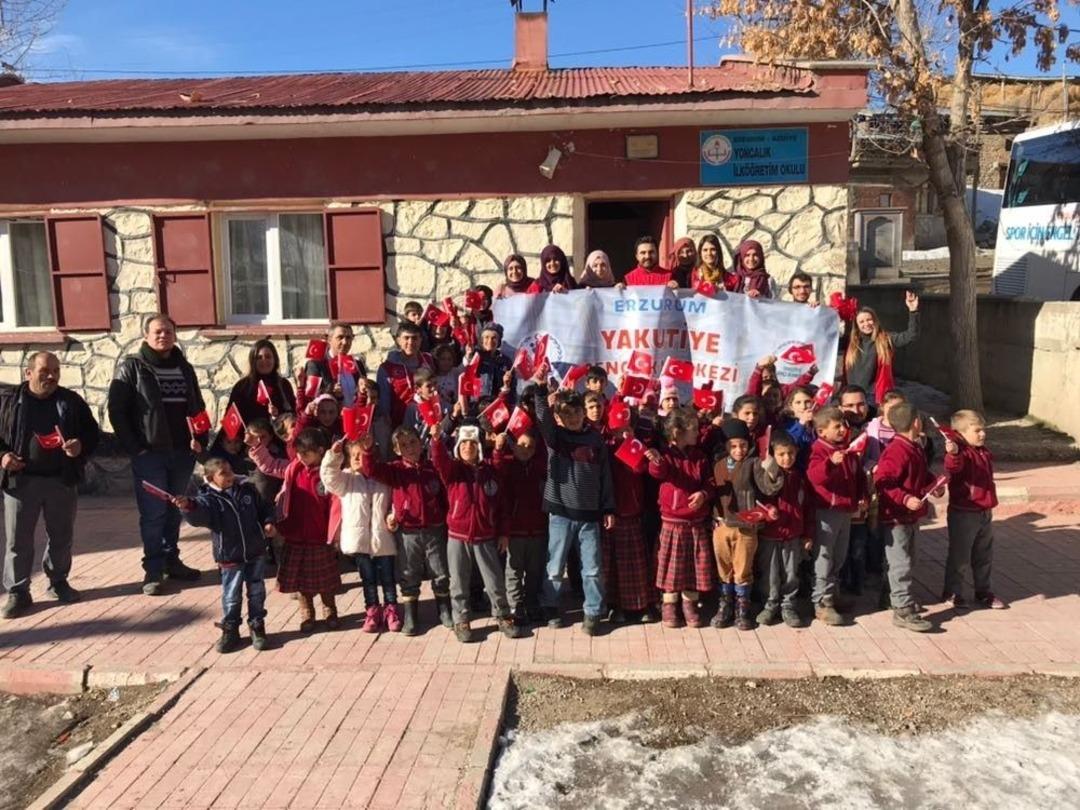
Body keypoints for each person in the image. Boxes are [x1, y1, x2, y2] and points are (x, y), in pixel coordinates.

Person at [108, 314, 208, 596]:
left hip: (182, 452)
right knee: (153, 513)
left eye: (168, 331)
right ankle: (153, 569)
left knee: (175, 508)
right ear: (146, 335)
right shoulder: (132, 368)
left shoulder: (184, 368)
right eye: (157, 332)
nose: (163, 335)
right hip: (150, 454)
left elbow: (197, 406)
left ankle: (171, 559)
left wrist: (200, 439)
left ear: (175, 335)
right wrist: (135, 447)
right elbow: (117, 411)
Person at [0, 352, 100, 619]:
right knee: (18, 540)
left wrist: (80, 446)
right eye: (45, 370)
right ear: (28, 373)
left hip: (61, 479)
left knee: (61, 535)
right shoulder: (8, 401)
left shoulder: (70, 401)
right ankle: (18, 591)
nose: (52, 376)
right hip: (21, 481)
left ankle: (58, 581)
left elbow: (92, 433)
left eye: (56, 370)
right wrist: (3, 456)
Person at [533, 379, 615, 635]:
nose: (573, 417)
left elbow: (605, 476)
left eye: (577, 411)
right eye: (567, 413)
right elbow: (542, 418)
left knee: (591, 568)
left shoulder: (594, 439)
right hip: (560, 513)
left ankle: (593, 611)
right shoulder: (556, 438)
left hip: (590, 515)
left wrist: (608, 508)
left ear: (583, 412)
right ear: (559, 417)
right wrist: (539, 389)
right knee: (555, 566)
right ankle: (551, 606)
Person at [430, 421, 522, 643]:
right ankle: (461, 618)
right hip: (457, 537)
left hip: (484, 536)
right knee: (458, 581)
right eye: (463, 445)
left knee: (494, 579)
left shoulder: (491, 473)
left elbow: (501, 507)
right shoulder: (453, 472)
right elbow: (440, 461)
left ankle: (502, 615)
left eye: (472, 444)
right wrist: (436, 441)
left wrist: (503, 533)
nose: (467, 448)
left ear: (479, 447)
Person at [175, 457, 274, 653]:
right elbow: (199, 514)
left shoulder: (247, 489)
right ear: (210, 478)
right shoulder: (208, 500)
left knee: (256, 591)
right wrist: (187, 506)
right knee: (231, 595)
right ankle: (231, 630)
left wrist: (268, 521)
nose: (229, 476)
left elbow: (264, 508)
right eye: (223, 474)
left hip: (255, 551)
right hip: (229, 556)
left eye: (230, 471)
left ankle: (257, 626)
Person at [361, 425, 452, 635]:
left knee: (439, 570)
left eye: (413, 442)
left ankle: (444, 610)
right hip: (408, 532)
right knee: (409, 573)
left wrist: (444, 516)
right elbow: (371, 470)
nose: (409, 447)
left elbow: (443, 489)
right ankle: (411, 615)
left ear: (421, 443)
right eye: (403, 445)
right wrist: (367, 451)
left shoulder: (432, 468)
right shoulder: (396, 470)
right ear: (397, 450)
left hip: (434, 529)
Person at [248, 427, 340, 632]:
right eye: (298, 453)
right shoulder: (293, 469)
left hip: (320, 534)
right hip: (295, 534)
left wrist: (335, 533)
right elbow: (269, 464)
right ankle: (307, 611)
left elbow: (335, 504)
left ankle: (330, 609)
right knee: (301, 580)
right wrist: (256, 446)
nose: (301, 457)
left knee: (325, 580)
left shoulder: (329, 474)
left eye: (306, 453)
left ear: (320, 451)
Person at [874, 402, 942, 632]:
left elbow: (922, 475)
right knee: (900, 563)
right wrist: (904, 499)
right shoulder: (896, 451)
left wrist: (934, 485)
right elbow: (883, 482)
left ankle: (890, 596)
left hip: (910, 517)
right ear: (915, 422)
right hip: (896, 518)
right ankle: (902, 610)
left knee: (908, 560)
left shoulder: (914, 447)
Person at [321, 436, 401, 633]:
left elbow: (394, 502)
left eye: (362, 454)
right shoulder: (346, 479)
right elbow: (328, 476)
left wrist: (392, 516)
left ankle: (391, 609)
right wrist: (334, 455)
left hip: (382, 538)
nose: (359, 459)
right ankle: (372, 610)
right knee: (368, 579)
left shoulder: (382, 477)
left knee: (388, 578)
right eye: (354, 455)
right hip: (360, 540)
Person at [645, 407, 715, 629]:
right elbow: (659, 473)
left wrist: (703, 494)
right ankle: (669, 605)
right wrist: (656, 461)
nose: (697, 433)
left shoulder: (700, 457)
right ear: (677, 432)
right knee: (671, 567)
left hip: (695, 522)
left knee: (693, 567)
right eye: (693, 429)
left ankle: (689, 605)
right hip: (673, 522)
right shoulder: (665, 456)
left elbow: (710, 482)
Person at [806, 405, 867, 626]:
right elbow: (814, 476)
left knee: (839, 555)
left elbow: (857, 475)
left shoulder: (847, 450)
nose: (842, 429)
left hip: (845, 509)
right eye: (837, 426)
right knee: (824, 556)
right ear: (822, 432)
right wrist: (830, 464)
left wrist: (862, 495)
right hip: (826, 511)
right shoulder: (820, 450)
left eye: (843, 425)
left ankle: (832, 593)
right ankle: (821, 602)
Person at [943, 410, 1006, 610]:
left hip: (984, 511)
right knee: (960, 555)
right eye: (977, 430)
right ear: (960, 433)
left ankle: (983, 592)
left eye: (983, 430)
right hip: (964, 512)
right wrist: (953, 453)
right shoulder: (959, 453)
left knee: (984, 554)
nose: (982, 434)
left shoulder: (983, 451)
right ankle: (953, 591)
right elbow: (953, 467)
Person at [711, 419, 769, 631]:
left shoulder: (753, 464)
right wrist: (714, 516)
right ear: (726, 446)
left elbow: (767, 487)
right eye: (733, 446)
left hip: (745, 526)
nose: (738, 450)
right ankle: (725, 605)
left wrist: (770, 470)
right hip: (723, 524)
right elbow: (714, 494)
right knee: (724, 567)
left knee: (742, 569)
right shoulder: (718, 465)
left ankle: (742, 609)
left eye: (742, 445)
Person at [756, 432, 814, 628]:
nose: (786, 458)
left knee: (791, 573)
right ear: (773, 455)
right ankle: (770, 605)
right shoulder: (766, 478)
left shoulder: (800, 478)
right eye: (781, 454)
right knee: (770, 574)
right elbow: (758, 502)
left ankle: (788, 606)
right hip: (770, 535)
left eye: (790, 453)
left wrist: (807, 534)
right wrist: (766, 512)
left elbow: (807, 508)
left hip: (793, 535)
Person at [492, 430, 548, 624]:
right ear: (513, 446)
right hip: (515, 530)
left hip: (537, 528)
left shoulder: (539, 467)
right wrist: (498, 450)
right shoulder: (507, 465)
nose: (525, 450)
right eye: (522, 445)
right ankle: (516, 605)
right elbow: (496, 467)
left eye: (530, 446)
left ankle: (531, 602)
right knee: (514, 569)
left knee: (534, 570)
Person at [843, 291, 920, 405]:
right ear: (857, 325)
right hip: (853, 396)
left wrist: (913, 312)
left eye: (869, 319)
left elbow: (910, 336)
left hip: (875, 397)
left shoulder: (885, 339)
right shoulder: (850, 343)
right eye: (862, 321)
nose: (866, 324)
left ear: (875, 321)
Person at [377, 321, 435, 428]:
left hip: (428, 420)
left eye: (415, 338)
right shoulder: (386, 368)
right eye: (406, 338)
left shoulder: (428, 360)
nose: (411, 342)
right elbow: (384, 401)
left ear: (421, 340)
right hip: (399, 424)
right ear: (398, 340)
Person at [226, 339, 297, 424]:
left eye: (268, 357)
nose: (264, 361)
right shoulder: (242, 386)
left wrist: (277, 415)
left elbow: (292, 417)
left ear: (275, 360)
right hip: (249, 435)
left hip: (275, 435)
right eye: (259, 357)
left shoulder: (283, 385)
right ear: (253, 361)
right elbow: (230, 419)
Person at [303, 321, 368, 406]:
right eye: (340, 337)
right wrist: (331, 391)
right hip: (330, 417)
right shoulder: (316, 364)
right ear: (329, 340)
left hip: (354, 416)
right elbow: (311, 395)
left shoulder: (357, 365)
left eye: (348, 338)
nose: (345, 342)